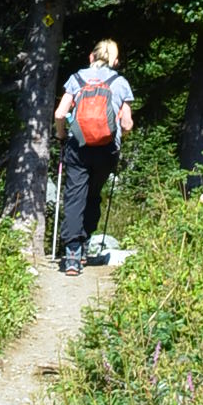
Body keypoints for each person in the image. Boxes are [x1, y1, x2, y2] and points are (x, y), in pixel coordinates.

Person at [54, 37, 134, 275]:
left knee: (74, 196)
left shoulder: (77, 79)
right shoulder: (120, 83)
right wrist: (121, 140)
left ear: (91, 56)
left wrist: (61, 136)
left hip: (78, 146)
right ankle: (86, 241)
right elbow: (127, 123)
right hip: (106, 149)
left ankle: (72, 254)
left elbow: (60, 113)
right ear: (115, 61)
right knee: (93, 195)